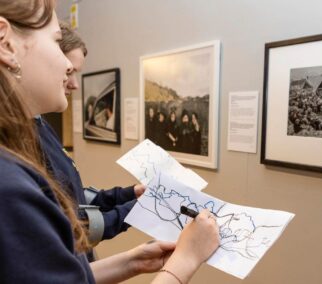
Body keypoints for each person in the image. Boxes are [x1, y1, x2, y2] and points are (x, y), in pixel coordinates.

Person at [0, 1, 219, 283]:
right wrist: (186, 259)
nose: (68, 67)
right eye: (56, 42)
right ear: (5, 44)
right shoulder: (9, 187)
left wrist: (132, 262)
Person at [35, 21, 145, 261]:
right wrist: (138, 210)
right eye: (69, 71)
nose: (74, 84)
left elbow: (71, 193)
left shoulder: (39, 124)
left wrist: (126, 195)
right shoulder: (21, 139)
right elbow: (71, 228)